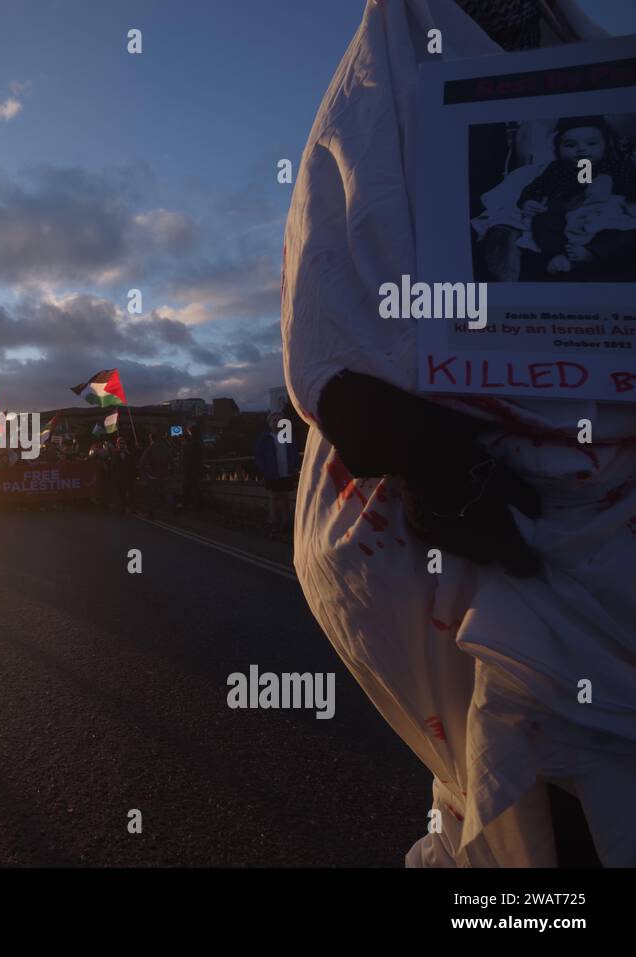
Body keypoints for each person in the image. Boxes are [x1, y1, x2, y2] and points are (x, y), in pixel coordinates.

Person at [283, 0, 634, 866]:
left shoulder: (595, 78)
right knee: (535, 778)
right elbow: (332, 343)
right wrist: (434, 458)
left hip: (605, 519)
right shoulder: (371, 110)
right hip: (471, 531)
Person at [515, 116, 636, 280]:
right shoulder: (556, 168)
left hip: (604, 213)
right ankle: (558, 254)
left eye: (591, 144)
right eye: (571, 145)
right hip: (565, 211)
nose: (581, 149)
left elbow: (631, 186)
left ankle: (592, 252)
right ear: (558, 148)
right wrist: (529, 201)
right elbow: (536, 186)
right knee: (542, 221)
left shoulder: (617, 165)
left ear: (606, 145)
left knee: (626, 234)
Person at [254, 413, 298, 536]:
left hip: (286, 472)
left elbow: (293, 452)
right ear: (269, 423)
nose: (277, 421)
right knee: (273, 497)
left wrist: (294, 466)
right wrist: (265, 469)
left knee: (285, 496)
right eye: (274, 419)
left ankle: (286, 522)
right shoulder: (265, 438)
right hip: (272, 473)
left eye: (279, 419)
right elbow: (258, 455)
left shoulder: (287, 436)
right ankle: (273, 521)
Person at [137, 430, 171, 521]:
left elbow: (141, 463)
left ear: (151, 439)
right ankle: (171, 510)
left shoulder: (149, 449)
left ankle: (151, 513)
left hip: (153, 475)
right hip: (164, 475)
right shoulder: (166, 448)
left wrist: (144, 475)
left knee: (151, 495)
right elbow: (172, 461)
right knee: (166, 493)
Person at [178, 426, 204, 512]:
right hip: (197, 469)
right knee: (195, 487)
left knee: (186, 488)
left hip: (189, 470)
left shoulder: (188, 445)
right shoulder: (200, 444)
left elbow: (183, 458)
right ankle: (196, 505)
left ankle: (186, 505)